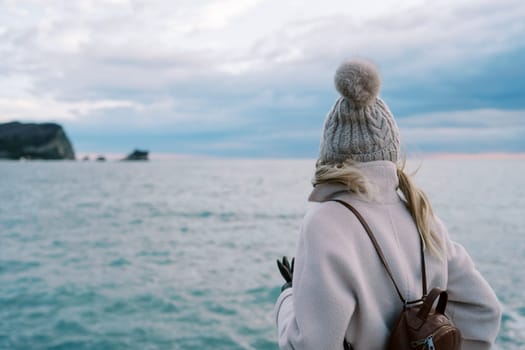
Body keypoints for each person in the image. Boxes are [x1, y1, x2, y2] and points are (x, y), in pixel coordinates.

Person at [274, 59, 502, 350]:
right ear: (391, 150)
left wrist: (287, 297)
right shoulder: (422, 217)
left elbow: (309, 345)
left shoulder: (324, 221)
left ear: (329, 153)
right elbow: (484, 311)